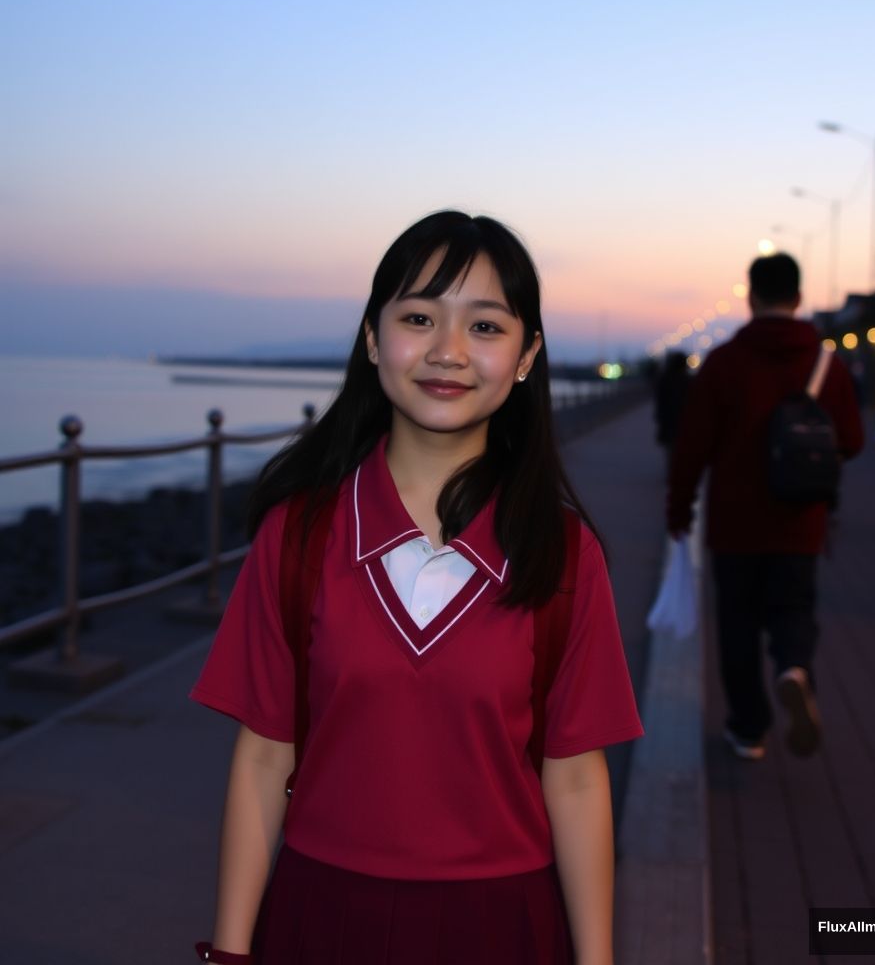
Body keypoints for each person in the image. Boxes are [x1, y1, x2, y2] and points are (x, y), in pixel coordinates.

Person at [190, 211, 643, 964]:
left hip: (504, 927)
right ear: (373, 339)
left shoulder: (563, 554)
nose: (448, 351)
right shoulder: (298, 535)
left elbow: (575, 780)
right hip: (321, 919)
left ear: (528, 355)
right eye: (419, 317)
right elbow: (265, 757)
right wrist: (231, 953)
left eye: (486, 327)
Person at [667, 252, 863, 761]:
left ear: (751, 297)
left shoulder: (726, 362)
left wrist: (679, 509)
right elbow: (854, 439)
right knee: (794, 609)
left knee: (737, 624)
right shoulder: (826, 363)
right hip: (800, 520)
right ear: (798, 298)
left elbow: (692, 447)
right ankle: (794, 669)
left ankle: (748, 731)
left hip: (735, 524)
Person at [653, 351, 690, 456]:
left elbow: (661, 401)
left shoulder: (665, 379)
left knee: (671, 450)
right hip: (683, 421)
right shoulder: (688, 380)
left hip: (669, 421)